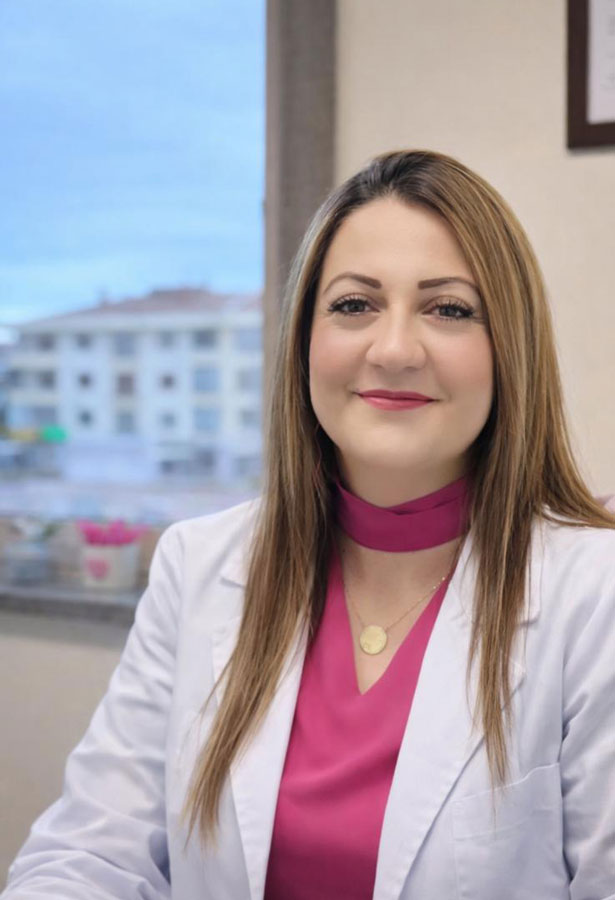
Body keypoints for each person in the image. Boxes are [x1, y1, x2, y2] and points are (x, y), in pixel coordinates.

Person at [3, 149, 615, 900]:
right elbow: (90, 856)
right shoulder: (198, 566)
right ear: (302, 342)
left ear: (509, 349)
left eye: (449, 309)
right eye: (354, 305)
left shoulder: (595, 593)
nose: (394, 350)